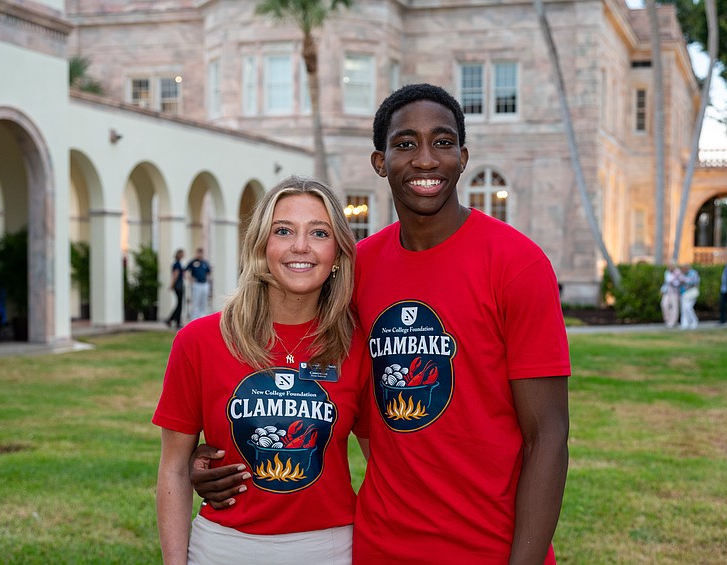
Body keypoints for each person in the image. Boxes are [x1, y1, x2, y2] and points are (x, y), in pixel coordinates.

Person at [190, 84, 570, 564]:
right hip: (378, 545)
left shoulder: (517, 265)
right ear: (379, 161)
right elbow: (296, 369)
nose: (426, 160)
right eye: (406, 144)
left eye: (443, 142)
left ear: (463, 156)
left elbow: (549, 436)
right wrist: (212, 460)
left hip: (488, 545)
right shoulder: (355, 271)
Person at [153, 176, 369, 565]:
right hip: (223, 547)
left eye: (319, 233)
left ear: (337, 253)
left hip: (330, 548)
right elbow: (172, 468)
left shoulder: (355, 346)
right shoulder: (199, 341)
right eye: (283, 231)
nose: (300, 246)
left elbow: (385, 464)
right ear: (260, 247)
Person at [186, 248, 212, 320]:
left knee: (203, 301)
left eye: (201, 253)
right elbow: (186, 271)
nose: (199, 255)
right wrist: (190, 278)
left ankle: (202, 316)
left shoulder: (205, 263)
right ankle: (194, 317)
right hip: (196, 284)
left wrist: (208, 280)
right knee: (195, 301)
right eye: (198, 253)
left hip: (204, 284)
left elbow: (209, 272)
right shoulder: (193, 262)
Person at [165, 249, 185, 329]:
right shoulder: (177, 264)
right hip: (178, 285)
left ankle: (174, 320)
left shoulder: (178, 263)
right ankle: (174, 320)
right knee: (179, 304)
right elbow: (175, 275)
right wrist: (172, 285)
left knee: (179, 304)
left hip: (178, 285)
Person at [679, 263, 701, 330]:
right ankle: (684, 323)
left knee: (688, 307)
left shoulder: (693, 273)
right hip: (683, 293)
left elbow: (695, 282)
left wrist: (685, 280)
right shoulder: (681, 273)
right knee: (683, 309)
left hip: (691, 293)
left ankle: (694, 321)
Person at [660, 262, 681, 329]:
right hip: (667, 292)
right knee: (664, 304)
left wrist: (674, 283)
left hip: (674, 292)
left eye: (671, 266)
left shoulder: (678, 272)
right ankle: (667, 320)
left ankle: (673, 322)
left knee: (674, 307)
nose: (670, 267)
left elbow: (679, 282)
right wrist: (662, 289)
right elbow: (665, 282)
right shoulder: (667, 272)